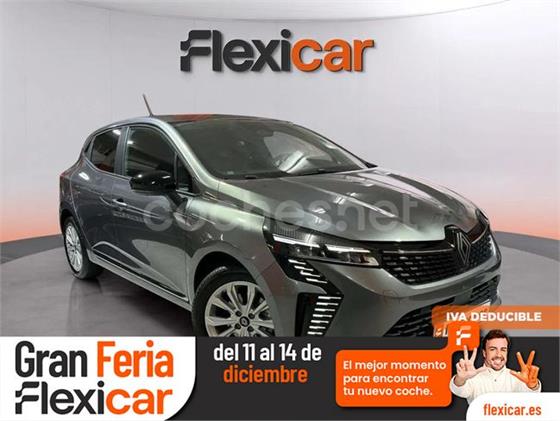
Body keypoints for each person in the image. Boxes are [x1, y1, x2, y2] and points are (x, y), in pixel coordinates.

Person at [450, 329, 541, 404]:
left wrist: (533, 386)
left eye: (503, 349)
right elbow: (459, 390)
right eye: (493, 349)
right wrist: (460, 379)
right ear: (484, 353)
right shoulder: (473, 378)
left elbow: (530, 395)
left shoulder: (518, 378)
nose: (498, 354)